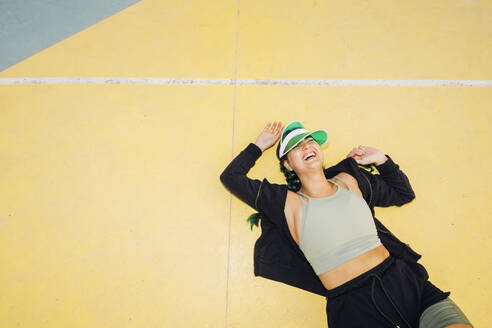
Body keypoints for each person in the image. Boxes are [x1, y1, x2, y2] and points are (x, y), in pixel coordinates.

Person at [220, 120, 473, 327]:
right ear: (287, 164)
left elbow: (403, 193)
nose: (306, 145)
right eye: (296, 146)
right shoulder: (287, 203)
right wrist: (258, 146)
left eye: (309, 140)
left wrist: (381, 160)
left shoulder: (351, 181)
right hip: (355, 307)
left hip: (404, 281)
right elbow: (230, 177)